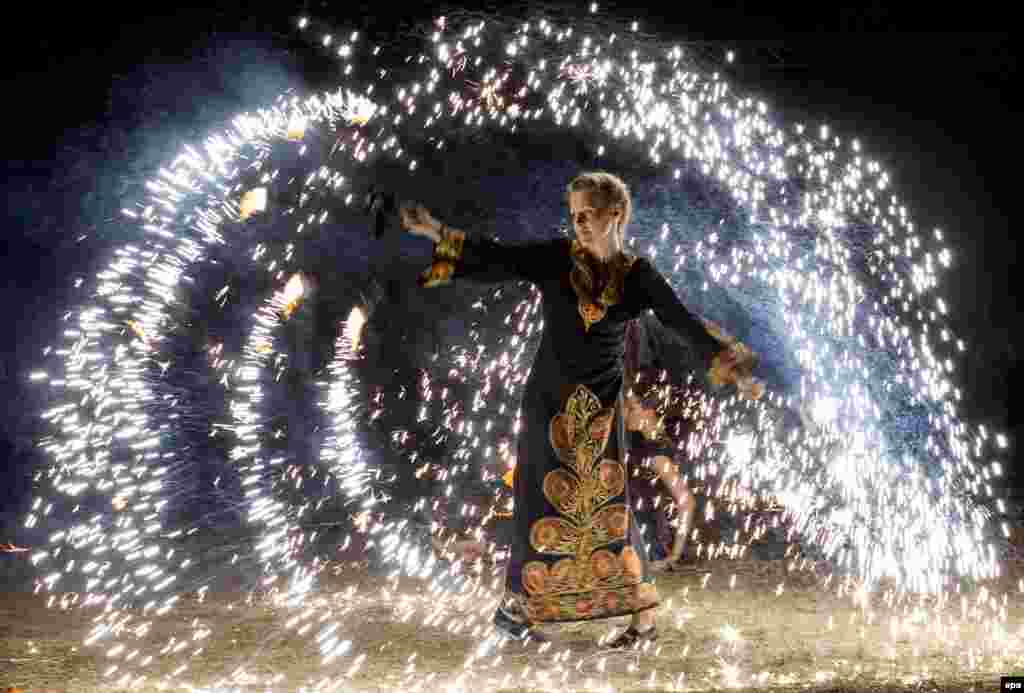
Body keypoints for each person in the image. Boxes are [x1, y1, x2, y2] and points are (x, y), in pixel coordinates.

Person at [399, 171, 758, 648]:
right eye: (575, 216)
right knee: (535, 499)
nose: (581, 224)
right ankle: (520, 610)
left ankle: (642, 622)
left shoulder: (639, 276)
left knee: (608, 505)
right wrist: (436, 232)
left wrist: (730, 365)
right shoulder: (555, 258)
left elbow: (682, 322)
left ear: (617, 215)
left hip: (600, 408)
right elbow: (499, 258)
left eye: (589, 214)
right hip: (547, 400)